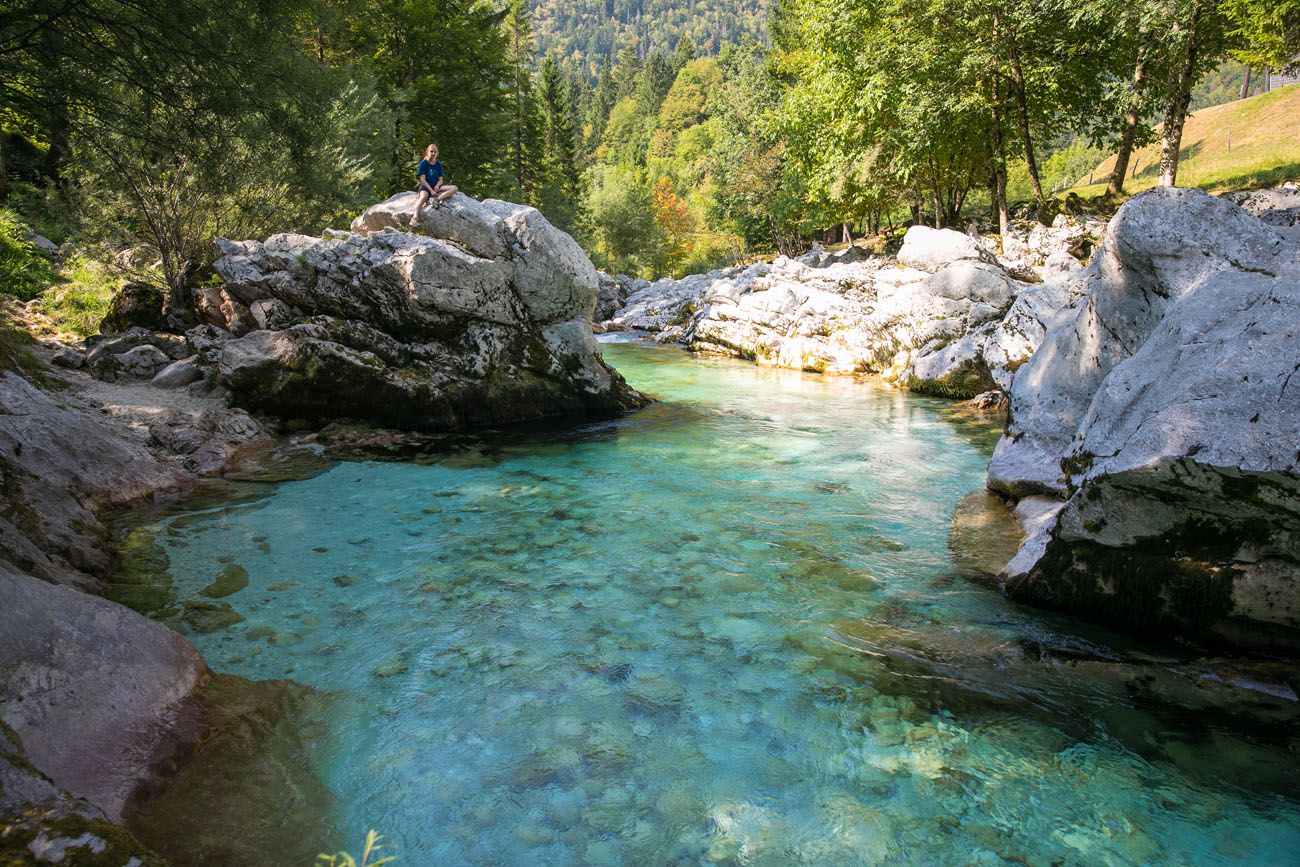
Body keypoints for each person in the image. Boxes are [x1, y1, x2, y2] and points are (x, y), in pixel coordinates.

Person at [410, 143, 459, 226]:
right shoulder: (423, 163)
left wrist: (436, 186)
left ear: (437, 153)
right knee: (423, 197)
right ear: (427, 152)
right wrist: (431, 191)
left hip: (436, 186)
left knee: (454, 188)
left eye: (435, 152)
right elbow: (423, 180)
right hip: (425, 187)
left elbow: (441, 180)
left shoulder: (438, 164)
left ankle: (437, 200)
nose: (433, 153)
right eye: (431, 151)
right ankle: (414, 218)